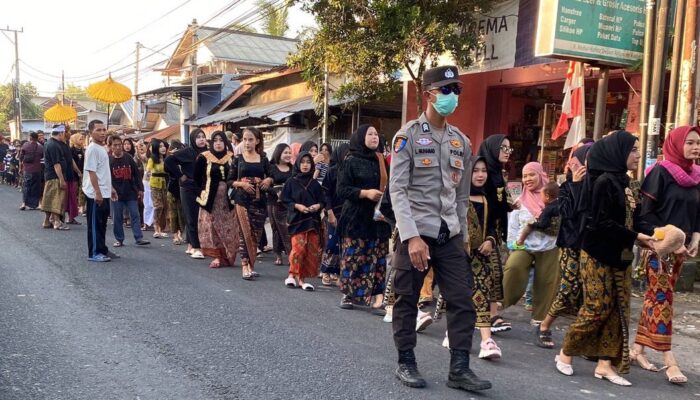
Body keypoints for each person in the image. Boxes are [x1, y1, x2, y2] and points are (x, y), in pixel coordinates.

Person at [389, 65, 490, 392]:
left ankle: (459, 368)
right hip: (416, 233)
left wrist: (461, 234)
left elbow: (461, 196)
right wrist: (412, 236)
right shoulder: (407, 137)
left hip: (449, 236)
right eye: (446, 90)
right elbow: (398, 190)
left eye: (456, 91)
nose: (452, 97)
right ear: (429, 94)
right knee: (407, 299)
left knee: (463, 300)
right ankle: (406, 361)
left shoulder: (461, 141)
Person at [556, 130, 655, 387]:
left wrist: (654, 236)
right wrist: (636, 237)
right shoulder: (603, 182)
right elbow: (600, 223)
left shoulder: (627, 183)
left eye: (636, 150)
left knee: (616, 309)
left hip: (619, 255)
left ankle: (604, 364)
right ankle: (565, 353)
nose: (637, 154)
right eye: (632, 150)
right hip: (596, 253)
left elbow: (636, 217)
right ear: (617, 153)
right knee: (597, 307)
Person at [631, 126, 700, 384]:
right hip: (658, 250)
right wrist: (670, 239)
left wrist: (694, 238)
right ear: (676, 144)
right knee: (663, 302)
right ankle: (669, 360)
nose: (696, 147)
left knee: (654, 299)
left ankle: (637, 350)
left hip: (682, 252)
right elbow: (644, 216)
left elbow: (697, 214)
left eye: (698, 143)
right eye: (690, 142)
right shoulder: (660, 172)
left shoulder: (697, 176)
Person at [434, 156, 502, 359]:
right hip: (458, 255)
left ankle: (486, 341)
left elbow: (492, 226)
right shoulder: (456, 198)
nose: (480, 175)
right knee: (458, 295)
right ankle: (453, 332)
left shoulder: (487, 199)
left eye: (484, 171)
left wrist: (490, 240)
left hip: (481, 257)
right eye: (475, 171)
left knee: (481, 292)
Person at [336, 125, 393, 311]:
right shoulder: (351, 160)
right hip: (356, 218)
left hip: (378, 218)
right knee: (354, 257)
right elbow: (341, 189)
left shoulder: (381, 160)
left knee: (377, 257)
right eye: (370, 134)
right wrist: (364, 193)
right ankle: (348, 295)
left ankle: (376, 296)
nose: (374, 137)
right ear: (360, 138)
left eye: (376, 134)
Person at [501, 162, 560, 324]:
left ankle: (540, 319)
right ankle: (499, 304)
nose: (527, 179)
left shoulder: (555, 199)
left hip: (550, 246)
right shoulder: (520, 200)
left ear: (540, 175)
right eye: (525, 176)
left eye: (531, 174)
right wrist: (512, 245)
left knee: (546, 281)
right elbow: (513, 225)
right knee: (513, 267)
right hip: (524, 246)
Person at [477, 134, 513, 332]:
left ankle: (490, 314)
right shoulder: (484, 173)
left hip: (496, 231)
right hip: (483, 230)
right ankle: (488, 316)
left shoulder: (499, 172)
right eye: (504, 148)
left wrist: (508, 205)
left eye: (509, 149)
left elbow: (498, 203)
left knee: (494, 273)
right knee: (489, 272)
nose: (507, 152)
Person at [229, 127, 273, 280]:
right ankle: (244, 265)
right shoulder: (238, 159)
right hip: (242, 200)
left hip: (259, 201)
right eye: (245, 139)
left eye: (250, 139)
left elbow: (272, 175)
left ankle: (252, 265)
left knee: (256, 234)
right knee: (244, 233)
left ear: (257, 141)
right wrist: (241, 184)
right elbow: (229, 181)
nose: (247, 143)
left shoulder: (263, 158)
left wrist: (268, 180)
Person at [194, 131, 239, 269]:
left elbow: (237, 177)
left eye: (221, 140)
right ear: (211, 143)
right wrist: (201, 192)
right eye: (215, 140)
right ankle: (217, 256)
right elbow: (196, 179)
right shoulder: (203, 157)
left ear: (225, 142)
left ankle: (228, 255)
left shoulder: (232, 158)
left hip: (228, 201)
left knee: (228, 228)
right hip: (210, 200)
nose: (218, 143)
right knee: (212, 228)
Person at [282, 151, 325, 291]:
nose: (305, 165)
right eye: (302, 162)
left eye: (308, 162)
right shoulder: (291, 182)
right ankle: (291, 275)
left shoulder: (315, 184)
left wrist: (317, 206)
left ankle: (302, 279)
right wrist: (297, 206)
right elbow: (285, 199)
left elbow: (323, 201)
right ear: (298, 163)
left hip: (312, 221)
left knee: (310, 250)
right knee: (298, 249)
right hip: (297, 221)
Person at [164, 129, 207, 259]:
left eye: (203, 137)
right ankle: (196, 247)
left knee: (202, 217)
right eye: (198, 137)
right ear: (193, 139)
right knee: (192, 216)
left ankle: (191, 244)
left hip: (204, 187)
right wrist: (180, 176)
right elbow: (168, 161)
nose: (201, 139)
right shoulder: (187, 152)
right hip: (188, 187)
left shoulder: (208, 153)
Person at [83, 120, 117, 262]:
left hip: (104, 191)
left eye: (104, 129)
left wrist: (111, 189)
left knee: (102, 223)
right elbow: (92, 172)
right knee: (95, 224)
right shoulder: (92, 149)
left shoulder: (101, 148)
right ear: (91, 132)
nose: (102, 132)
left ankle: (102, 249)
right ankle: (94, 252)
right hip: (95, 193)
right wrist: (97, 192)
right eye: (98, 130)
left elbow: (104, 172)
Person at [108, 135, 150, 247]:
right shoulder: (109, 160)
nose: (118, 147)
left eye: (119, 144)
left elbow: (136, 174)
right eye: (115, 145)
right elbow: (106, 178)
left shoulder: (128, 157)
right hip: (116, 194)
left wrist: (140, 189)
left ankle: (139, 237)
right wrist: (110, 190)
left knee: (135, 214)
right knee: (117, 217)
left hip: (130, 191)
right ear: (111, 147)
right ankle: (119, 239)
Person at [320, 143, 349, 286]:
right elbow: (326, 194)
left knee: (344, 246)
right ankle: (325, 271)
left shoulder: (351, 171)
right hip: (333, 212)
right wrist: (329, 212)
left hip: (348, 214)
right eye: (346, 153)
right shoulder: (332, 171)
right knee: (332, 244)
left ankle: (339, 273)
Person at [268, 143, 293, 266]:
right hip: (274, 202)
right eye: (285, 152)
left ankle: (290, 253)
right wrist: (276, 192)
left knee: (287, 228)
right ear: (279, 153)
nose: (288, 155)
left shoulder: (293, 168)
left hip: (288, 203)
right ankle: (278, 254)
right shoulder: (271, 167)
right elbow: (265, 186)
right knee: (276, 229)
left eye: (289, 152)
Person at [41, 125, 70, 230]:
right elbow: (56, 164)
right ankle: (57, 222)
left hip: (50, 175)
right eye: (64, 133)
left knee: (50, 198)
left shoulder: (49, 143)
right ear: (61, 133)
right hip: (55, 176)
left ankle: (46, 221)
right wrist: (62, 179)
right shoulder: (54, 145)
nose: (65, 135)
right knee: (56, 199)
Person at [515, 182, 560, 247]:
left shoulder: (548, 209)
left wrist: (533, 224)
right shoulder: (560, 204)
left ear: (547, 196)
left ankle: (520, 242)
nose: (540, 198)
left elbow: (544, 224)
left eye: (541, 196)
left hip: (551, 229)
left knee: (528, 226)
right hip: (559, 228)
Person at [146, 139, 170, 238]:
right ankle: (156, 228)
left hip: (166, 184)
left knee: (165, 206)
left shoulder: (167, 159)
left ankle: (163, 228)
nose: (163, 148)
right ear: (156, 148)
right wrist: (147, 174)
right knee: (158, 206)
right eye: (160, 146)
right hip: (155, 185)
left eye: (164, 146)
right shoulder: (152, 159)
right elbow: (148, 170)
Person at [165, 139, 186, 246]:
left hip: (182, 189)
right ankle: (175, 235)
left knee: (182, 214)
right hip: (172, 189)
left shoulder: (184, 160)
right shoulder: (169, 160)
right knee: (173, 214)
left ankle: (181, 234)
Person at [60, 127, 82, 225]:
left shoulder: (66, 145)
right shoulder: (59, 146)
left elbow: (71, 160)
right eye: (67, 131)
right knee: (63, 198)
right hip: (63, 175)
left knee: (72, 197)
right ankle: (60, 218)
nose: (69, 133)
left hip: (70, 175)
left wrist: (78, 171)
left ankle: (71, 218)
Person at [19, 131, 44, 210]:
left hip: (27, 169)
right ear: (37, 138)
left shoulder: (25, 145)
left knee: (26, 186)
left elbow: (20, 157)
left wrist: (20, 168)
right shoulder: (41, 147)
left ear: (30, 138)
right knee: (36, 187)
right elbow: (42, 158)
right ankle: (36, 204)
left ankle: (24, 203)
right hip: (38, 170)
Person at [137, 139, 154, 231]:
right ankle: (146, 223)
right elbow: (139, 156)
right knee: (147, 203)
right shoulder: (146, 157)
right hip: (147, 182)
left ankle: (156, 223)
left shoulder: (160, 157)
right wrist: (137, 147)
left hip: (157, 182)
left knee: (155, 204)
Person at [70, 133, 87, 216]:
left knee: (83, 190)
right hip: (73, 173)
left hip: (83, 172)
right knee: (75, 190)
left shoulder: (84, 150)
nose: (82, 141)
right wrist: (78, 172)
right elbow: (71, 162)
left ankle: (82, 207)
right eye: (80, 139)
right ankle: (75, 207)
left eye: (82, 139)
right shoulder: (71, 150)